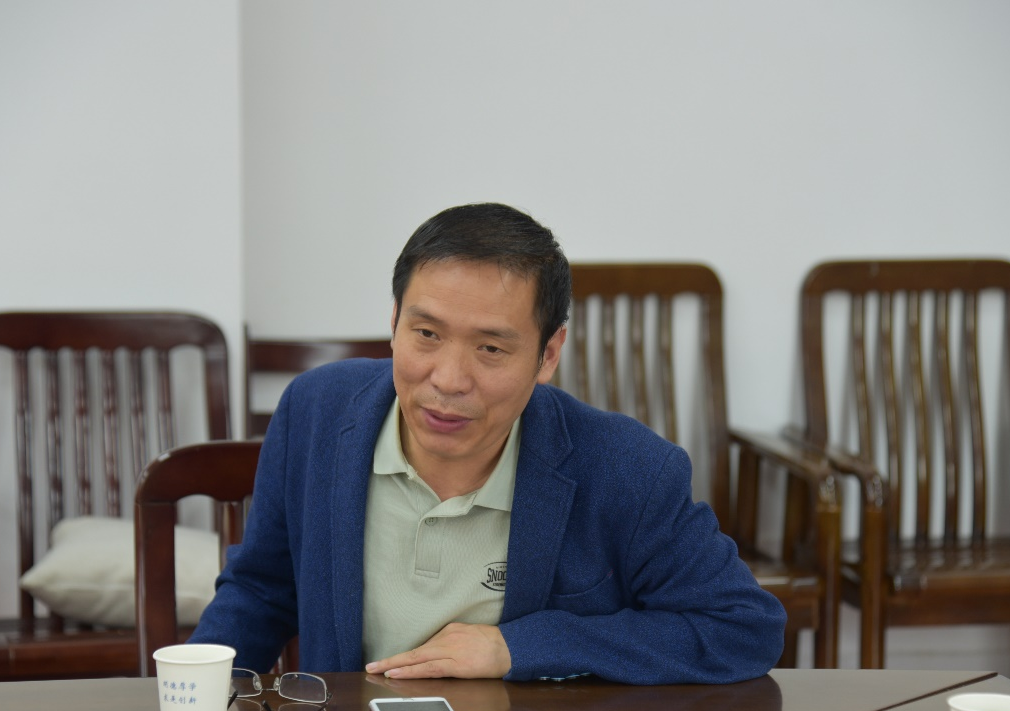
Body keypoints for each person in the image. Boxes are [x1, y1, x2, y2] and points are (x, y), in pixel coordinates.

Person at [189, 202, 785, 684]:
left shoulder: (626, 469)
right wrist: (187, 694)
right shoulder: (316, 412)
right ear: (393, 323)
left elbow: (743, 628)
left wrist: (519, 647)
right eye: (426, 334)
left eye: (491, 348)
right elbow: (262, 589)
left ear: (548, 354)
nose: (449, 380)